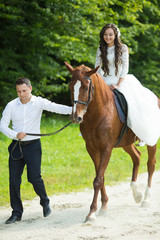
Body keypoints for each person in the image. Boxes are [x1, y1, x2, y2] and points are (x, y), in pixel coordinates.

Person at [0, 77, 72, 224]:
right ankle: (16, 213)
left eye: (24, 91)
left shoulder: (39, 102)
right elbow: (2, 125)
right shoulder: (11, 105)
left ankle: (44, 201)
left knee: (34, 178)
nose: (22, 94)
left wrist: (76, 110)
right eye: (19, 91)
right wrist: (15, 134)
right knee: (14, 180)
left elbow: (57, 107)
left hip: (33, 146)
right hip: (16, 147)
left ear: (30, 89)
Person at [95, 23, 160, 147]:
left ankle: (139, 133)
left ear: (115, 35)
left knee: (133, 102)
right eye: (105, 34)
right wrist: (102, 83)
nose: (107, 37)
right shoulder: (100, 49)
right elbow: (97, 67)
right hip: (105, 80)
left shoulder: (123, 48)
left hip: (121, 80)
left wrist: (118, 85)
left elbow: (125, 68)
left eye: (110, 34)